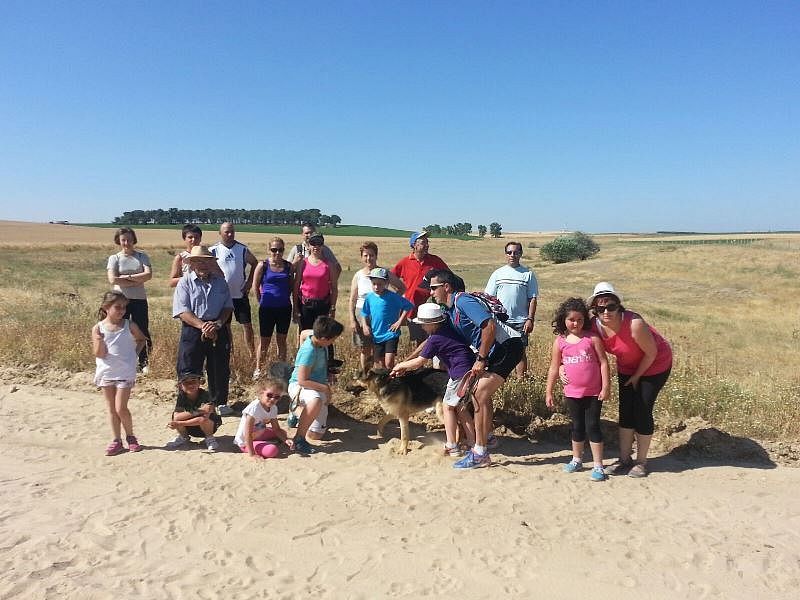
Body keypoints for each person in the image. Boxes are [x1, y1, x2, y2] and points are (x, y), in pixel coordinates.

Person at [427, 269, 524, 469]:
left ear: (446, 287)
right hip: (497, 349)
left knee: (479, 393)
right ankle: (485, 440)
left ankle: (480, 451)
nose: (431, 292)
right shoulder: (448, 310)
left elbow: (489, 327)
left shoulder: (462, 301)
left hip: (507, 346)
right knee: (480, 395)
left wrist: (481, 358)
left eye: (433, 288)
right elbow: (434, 338)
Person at [588, 282, 673, 478]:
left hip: (655, 364)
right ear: (595, 310)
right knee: (626, 411)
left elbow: (651, 354)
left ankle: (641, 462)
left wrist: (637, 377)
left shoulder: (634, 323)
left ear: (619, 306)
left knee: (642, 409)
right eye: (600, 308)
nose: (606, 311)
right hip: (627, 365)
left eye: (611, 306)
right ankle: (624, 459)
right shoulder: (595, 325)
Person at [391, 303, 476, 457]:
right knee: (461, 408)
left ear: (431, 323)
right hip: (469, 368)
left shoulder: (435, 339)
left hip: (459, 372)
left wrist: (400, 365)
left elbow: (419, 362)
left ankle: (452, 446)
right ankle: (472, 442)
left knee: (447, 406)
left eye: (423, 324)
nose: (422, 327)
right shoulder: (446, 330)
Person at [545, 298, 610, 482]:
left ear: (585, 320)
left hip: (594, 392)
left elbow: (604, 363)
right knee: (577, 426)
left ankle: (598, 465)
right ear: (563, 320)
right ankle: (577, 459)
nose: (576, 323)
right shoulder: (560, 342)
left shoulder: (592, 338)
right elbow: (554, 367)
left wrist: (606, 387)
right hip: (572, 392)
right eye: (571, 319)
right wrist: (548, 391)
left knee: (593, 426)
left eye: (580, 320)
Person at [172, 245, 235, 416]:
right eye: (198, 261)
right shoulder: (185, 282)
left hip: (217, 327)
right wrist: (203, 326)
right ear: (191, 264)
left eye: (206, 261)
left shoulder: (220, 282)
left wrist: (218, 324)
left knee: (219, 367)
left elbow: (228, 307)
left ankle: (219, 402)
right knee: (189, 368)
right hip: (193, 329)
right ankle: (187, 404)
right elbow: (182, 311)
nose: (202, 264)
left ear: (211, 263)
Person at [92, 291, 147, 456]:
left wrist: (134, 355)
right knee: (111, 409)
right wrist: (99, 339)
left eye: (124, 307)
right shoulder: (98, 328)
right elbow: (99, 354)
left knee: (121, 408)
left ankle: (131, 437)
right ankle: (116, 440)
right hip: (106, 372)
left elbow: (142, 339)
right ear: (106, 308)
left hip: (125, 372)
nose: (122, 310)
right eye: (118, 307)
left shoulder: (129, 325)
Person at [286, 316, 344, 454]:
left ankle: (296, 411)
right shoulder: (309, 351)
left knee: (316, 435)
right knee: (316, 400)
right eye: (333, 339)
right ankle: (299, 439)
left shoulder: (314, 335)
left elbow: (303, 333)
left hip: (315, 384)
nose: (334, 341)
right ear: (324, 338)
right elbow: (302, 380)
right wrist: (326, 388)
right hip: (300, 386)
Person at [348, 241, 406, 375]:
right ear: (362, 257)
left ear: (376, 256)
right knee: (364, 348)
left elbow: (402, 287)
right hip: (362, 315)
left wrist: (391, 302)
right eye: (366, 255)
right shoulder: (358, 275)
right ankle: (366, 376)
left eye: (372, 255)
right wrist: (352, 319)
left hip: (381, 315)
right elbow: (352, 298)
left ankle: (382, 377)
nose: (369, 258)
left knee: (379, 348)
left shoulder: (384, 273)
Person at [484, 240, 538, 377]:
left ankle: (521, 381)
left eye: (516, 252)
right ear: (505, 254)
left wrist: (530, 319)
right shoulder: (498, 274)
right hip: (500, 320)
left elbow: (532, 299)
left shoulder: (528, 274)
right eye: (509, 252)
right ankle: (499, 378)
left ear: (521, 254)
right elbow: (488, 297)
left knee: (520, 353)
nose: (512, 255)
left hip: (521, 321)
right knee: (498, 351)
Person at [106, 227, 152, 372]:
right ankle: (121, 360)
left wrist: (126, 278)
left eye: (129, 239)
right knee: (120, 330)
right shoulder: (114, 258)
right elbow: (113, 279)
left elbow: (148, 275)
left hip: (139, 299)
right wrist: (137, 279)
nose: (127, 243)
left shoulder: (142, 256)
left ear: (134, 240)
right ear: (118, 241)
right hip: (120, 301)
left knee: (142, 329)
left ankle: (144, 361)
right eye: (123, 240)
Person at [210, 222, 258, 359]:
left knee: (247, 325)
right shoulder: (213, 250)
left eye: (232, 231)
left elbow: (255, 263)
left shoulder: (242, 249)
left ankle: (252, 355)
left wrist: (249, 282)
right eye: (226, 232)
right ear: (220, 233)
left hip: (240, 295)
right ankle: (230, 355)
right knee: (225, 327)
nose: (230, 234)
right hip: (222, 297)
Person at [392, 231, 449, 346]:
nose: (427, 245)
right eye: (423, 242)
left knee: (435, 338)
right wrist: (400, 292)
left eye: (427, 242)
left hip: (432, 308)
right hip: (412, 309)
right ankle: (420, 363)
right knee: (419, 341)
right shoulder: (405, 262)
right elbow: (391, 277)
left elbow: (448, 276)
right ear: (414, 245)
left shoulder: (435, 261)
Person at [293, 232, 339, 367]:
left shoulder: (329, 264)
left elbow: (334, 288)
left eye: (319, 243)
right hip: (305, 305)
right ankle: (305, 365)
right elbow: (296, 285)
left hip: (323, 305)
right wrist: (295, 307)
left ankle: (327, 366)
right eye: (313, 243)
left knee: (325, 336)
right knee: (306, 336)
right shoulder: (303, 263)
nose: (316, 246)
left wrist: (333, 307)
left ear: (323, 245)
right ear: (308, 245)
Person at [252, 237, 294, 378]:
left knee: (281, 340)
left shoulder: (288, 266)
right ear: (269, 250)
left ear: (283, 250)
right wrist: (261, 302)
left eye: (280, 250)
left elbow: (291, 286)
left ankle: (281, 370)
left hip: (284, 308)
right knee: (265, 340)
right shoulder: (262, 265)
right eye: (274, 250)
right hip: (267, 309)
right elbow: (255, 287)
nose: (277, 253)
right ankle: (259, 369)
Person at [361, 268, 414, 370]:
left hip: (391, 333)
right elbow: (364, 312)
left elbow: (408, 306)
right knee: (379, 364)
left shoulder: (393, 296)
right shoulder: (369, 297)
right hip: (377, 334)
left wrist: (399, 322)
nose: (376, 287)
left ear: (386, 283)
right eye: (374, 284)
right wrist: (365, 325)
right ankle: (384, 383)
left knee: (389, 363)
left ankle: (393, 381)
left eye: (380, 284)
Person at [234, 378, 294, 459]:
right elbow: (247, 434)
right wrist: (252, 454)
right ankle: (259, 445)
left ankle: (265, 442)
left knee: (283, 433)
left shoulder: (273, 408)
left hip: (259, 433)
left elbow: (276, 429)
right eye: (269, 395)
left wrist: (286, 440)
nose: (273, 399)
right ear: (261, 393)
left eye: (277, 397)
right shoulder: (254, 408)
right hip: (245, 441)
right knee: (272, 450)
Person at [165, 373, 223, 451]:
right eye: (186, 383)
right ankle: (184, 437)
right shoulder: (182, 396)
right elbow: (176, 417)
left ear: (199, 383)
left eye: (193, 382)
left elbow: (203, 419)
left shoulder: (206, 395)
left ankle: (210, 439)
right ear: (180, 385)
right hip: (191, 427)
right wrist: (199, 411)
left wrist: (179, 423)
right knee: (175, 416)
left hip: (208, 427)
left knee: (204, 420)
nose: (190, 385)